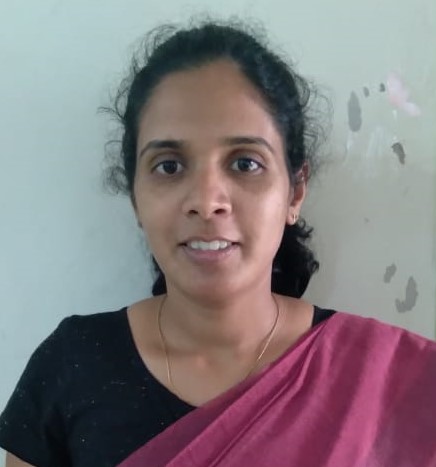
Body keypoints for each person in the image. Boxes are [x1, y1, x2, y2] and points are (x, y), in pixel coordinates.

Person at [1, 19, 435, 467]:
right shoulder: (73, 367)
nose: (207, 202)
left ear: (295, 192)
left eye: (245, 163)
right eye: (169, 166)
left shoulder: (390, 380)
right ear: (135, 196)